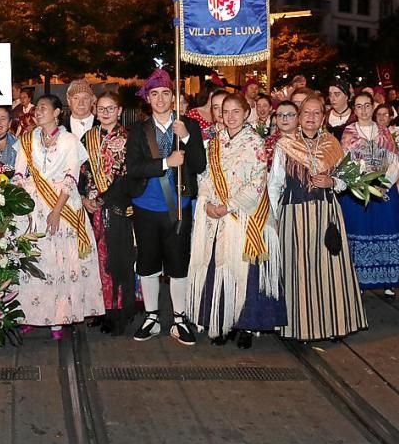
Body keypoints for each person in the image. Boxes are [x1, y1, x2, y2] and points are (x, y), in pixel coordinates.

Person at [186, 93, 284, 347]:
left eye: (235, 112)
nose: (230, 117)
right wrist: (207, 202)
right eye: (225, 112)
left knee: (243, 272)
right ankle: (221, 320)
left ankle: (245, 326)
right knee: (219, 268)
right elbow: (205, 175)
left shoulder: (254, 142)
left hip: (243, 215)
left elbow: (257, 182)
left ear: (245, 113)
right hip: (216, 215)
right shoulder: (215, 142)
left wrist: (227, 206)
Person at [268, 96, 366, 341]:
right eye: (306, 113)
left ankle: (333, 323)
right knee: (297, 269)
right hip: (294, 214)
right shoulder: (285, 144)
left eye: (316, 113)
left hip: (326, 213)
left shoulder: (333, 144)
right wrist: (273, 217)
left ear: (323, 118)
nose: (311, 117)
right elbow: (275, 183)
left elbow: (347, 180)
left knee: (329, 269)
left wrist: (333, 181)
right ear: (299, 117)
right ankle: (298, 326)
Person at [11, 94, 103, 336]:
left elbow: (72, 178)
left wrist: (56, 211)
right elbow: (19, 173)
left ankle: (58, 317)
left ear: (56, 112)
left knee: (59, 262)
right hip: (32, 207)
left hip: (62, 206)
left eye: (43, 108)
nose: (38, 112)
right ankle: (29, 314)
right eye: (37, 108)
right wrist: (18, 198)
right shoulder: (27, 139)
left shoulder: (69, 141)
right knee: (33, 261)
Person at [126, 70, 207, 344]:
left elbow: (199, 165)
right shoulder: (138, 130)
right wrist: (164, 163)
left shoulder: (188, 126)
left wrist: (186, 139)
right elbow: (133, 168)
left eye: (165, 93)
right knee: (147, 263)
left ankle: (179, 319)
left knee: (178, 263)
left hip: (179, 206)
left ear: (174, 97)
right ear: (148, 99)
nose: (160, 99)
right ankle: (152, 316)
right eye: (154, 94)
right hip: (145, 206)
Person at [78, 91, 136, 335]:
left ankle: (117, 312)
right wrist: (83, 198)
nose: (105, 112)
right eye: (101, 108)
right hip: (92, 210)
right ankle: (99, 308)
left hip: (117, 208)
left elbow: (128, 176)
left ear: (119, 111)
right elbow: (80, 171)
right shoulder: (87, 137)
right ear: (95, 110)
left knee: (116, 262)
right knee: (95, 262)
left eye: (110, 108)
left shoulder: (129, 138)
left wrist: (103, 199)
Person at [341, 93, 399, 297]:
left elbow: (394, 160)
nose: (363, 110)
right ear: (354, 109)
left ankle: (388, 280)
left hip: (384, 190)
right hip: (358, 190)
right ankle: (359, 280)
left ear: (373, 107)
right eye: (358, 106)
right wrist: (360, 182)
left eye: (367, 105)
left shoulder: (384, 132)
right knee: (359, 231)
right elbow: (345, 161)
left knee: (386, 228)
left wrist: (385, 183)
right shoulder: (348, 132)